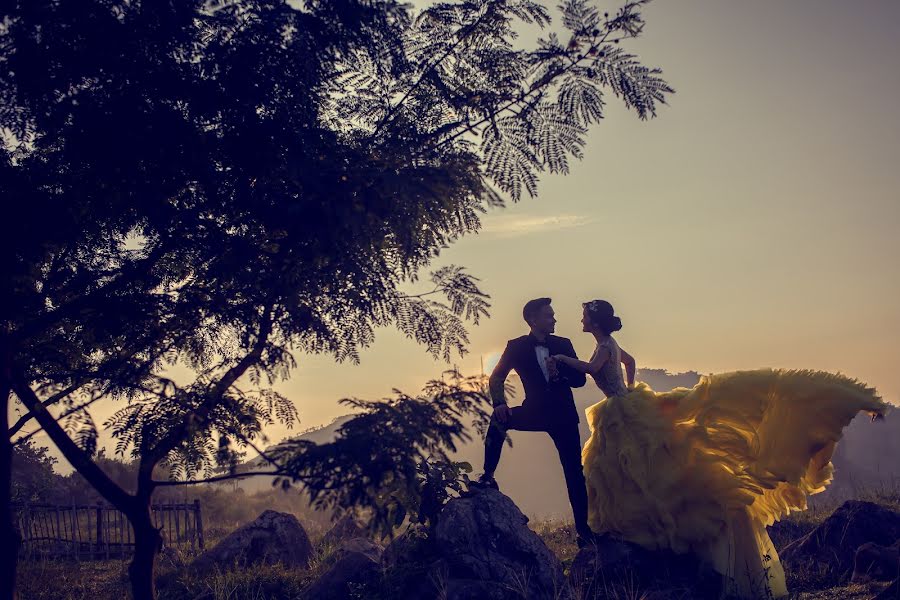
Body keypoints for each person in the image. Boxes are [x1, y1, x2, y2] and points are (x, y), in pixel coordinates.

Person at [551, 299, 890, 599]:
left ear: (594, 321)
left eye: (583, 317)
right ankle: (640, 530)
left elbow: (594, 369)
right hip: (623, 404)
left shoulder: (603, 346)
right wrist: (624, 386)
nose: (580, 321)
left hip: (622, 410)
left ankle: (652, 531)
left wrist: (567, 359)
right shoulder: (610, 342)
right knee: (630, 468)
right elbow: (630, 360)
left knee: (632, 467)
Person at [470, 297, 597, 547]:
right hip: (534, 411)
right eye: (549, 315)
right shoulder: (516, 346)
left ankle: (585, 532)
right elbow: (496, 378)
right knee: (498, 421)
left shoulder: (564, 343)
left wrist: (559, 372)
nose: (554, 319)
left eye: (553, 315)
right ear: (533, 320)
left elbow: (580, 381)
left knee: (574, 473)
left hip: (563, 416)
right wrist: (499, 403)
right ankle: (488, 476)